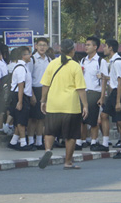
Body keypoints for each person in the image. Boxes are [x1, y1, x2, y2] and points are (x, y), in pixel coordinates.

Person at [38, 39, 89, 170]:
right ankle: (68, 162)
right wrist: (85, 105)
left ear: (60, 50)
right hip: (70, 106)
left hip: (53, 104)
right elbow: (80, 88)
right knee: (71, 135)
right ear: (73, 50)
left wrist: (43, 101)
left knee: (50, 131)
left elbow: (45, 85)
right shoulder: (75, 66)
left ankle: (47, 150)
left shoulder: (52, 63)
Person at [97, 40, 121, 159]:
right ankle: (105, 143)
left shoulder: (118, 62)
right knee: (104, 115)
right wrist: (104, 77)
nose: (104, 49)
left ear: (111, 48)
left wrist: (118, 101)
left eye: (105, 46)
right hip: (114, 92)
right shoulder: (112, 62)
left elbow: (120, 81)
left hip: (119, 92)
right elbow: (114, 78)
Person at [79, 36, 108, 151]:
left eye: (89, 45)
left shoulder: (101, 61)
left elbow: (104, 79)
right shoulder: (83, 60)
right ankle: (80, 141)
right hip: (83, 91)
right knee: (81, 118)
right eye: (85, 45)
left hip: (95, 91)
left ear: (95, 47)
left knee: (93, 119)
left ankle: (94, 141)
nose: (86, 47)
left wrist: (102, 96)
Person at [7, 46, 35, 151]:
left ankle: (13, 142)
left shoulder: (24, 67)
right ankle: (23, 143)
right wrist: (20, 101)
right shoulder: (21, 68)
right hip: (19, 96)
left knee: (21, 119)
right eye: (28, 54)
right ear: (23, 56)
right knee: (21, 121)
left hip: (23, 95)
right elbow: (20, 86)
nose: (30, 55)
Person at [27, 38, 51, 150]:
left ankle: (39, 141)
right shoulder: (32, 59)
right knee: (33, 118)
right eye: (40, 45)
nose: (42, 47)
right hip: (34, 89)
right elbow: (28, 78)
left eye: (44, 45)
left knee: (42, 117)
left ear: (47, 47)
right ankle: (30, 141)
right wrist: (31, 94)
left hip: (45, 90)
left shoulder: (49, 60)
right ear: (36, 46)